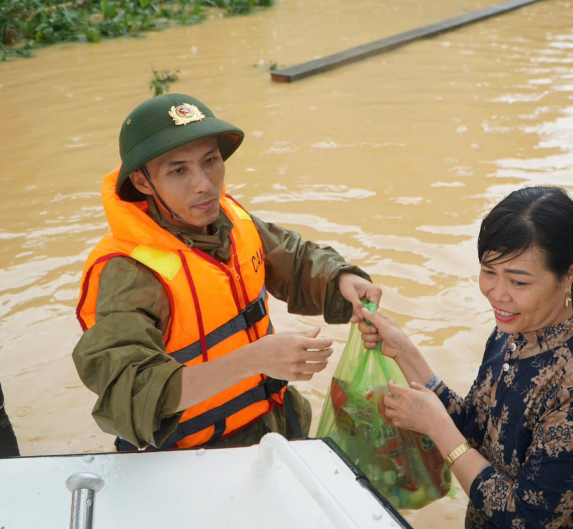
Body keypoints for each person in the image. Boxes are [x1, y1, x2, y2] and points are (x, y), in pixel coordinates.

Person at [73, 93, 381, 451]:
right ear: (143, 183)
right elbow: (131, 393)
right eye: (178, 170)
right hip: (192, 460)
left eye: (211, 161)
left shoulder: (229, 220)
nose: (204, 184)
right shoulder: (128, 272)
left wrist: (342, 279)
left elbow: (294, 261)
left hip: (273, 429)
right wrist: (257, 359)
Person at [359, 187, 573, 529]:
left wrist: (437, 428)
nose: (497, 294)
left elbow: (524, 519)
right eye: (489, 272)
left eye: (518, 281)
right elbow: (475, 429)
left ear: (568, 275)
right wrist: (405, 353)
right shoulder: (510, 334)